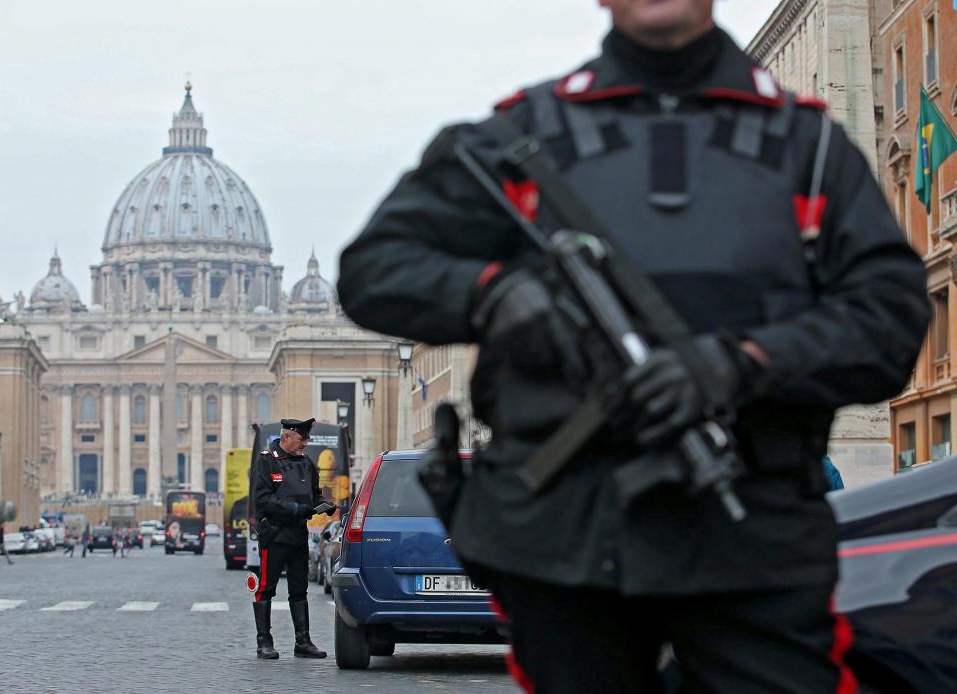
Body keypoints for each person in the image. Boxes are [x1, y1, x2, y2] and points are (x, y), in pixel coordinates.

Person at [336, 1, 930, 691]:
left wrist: (744, 364)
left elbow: (889, 319)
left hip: (750, 539)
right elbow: (374, 270)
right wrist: (491, 293)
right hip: (565, 542)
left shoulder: (810, 146)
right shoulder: (520, 134)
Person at [249, 417, 336, 660]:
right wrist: (296, 509)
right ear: (287, 437)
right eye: (301, 439)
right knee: (266, 589)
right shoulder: (266, 461)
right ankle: (264, 642)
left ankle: (303, 642)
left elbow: (314, 496)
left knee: (300, 590)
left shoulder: (307, 464)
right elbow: (263, 500)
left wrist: (325, 505)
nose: (305, 444)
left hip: (298, 536)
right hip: (275, 535)